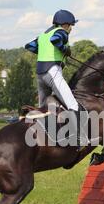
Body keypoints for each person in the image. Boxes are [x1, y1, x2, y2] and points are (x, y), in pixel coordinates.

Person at [25, 9, 87, 146]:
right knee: (73, 105)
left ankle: (42, 137)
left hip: (40, 75)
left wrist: (44, 52)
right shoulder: (61, 32)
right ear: (65, 24)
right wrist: (64, 49)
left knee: (43, 109)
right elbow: (56, 40)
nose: (71, 28)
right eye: (71, 25)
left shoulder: (43, 35)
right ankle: (77, 139)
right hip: (52, 72)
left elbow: (30, 46)